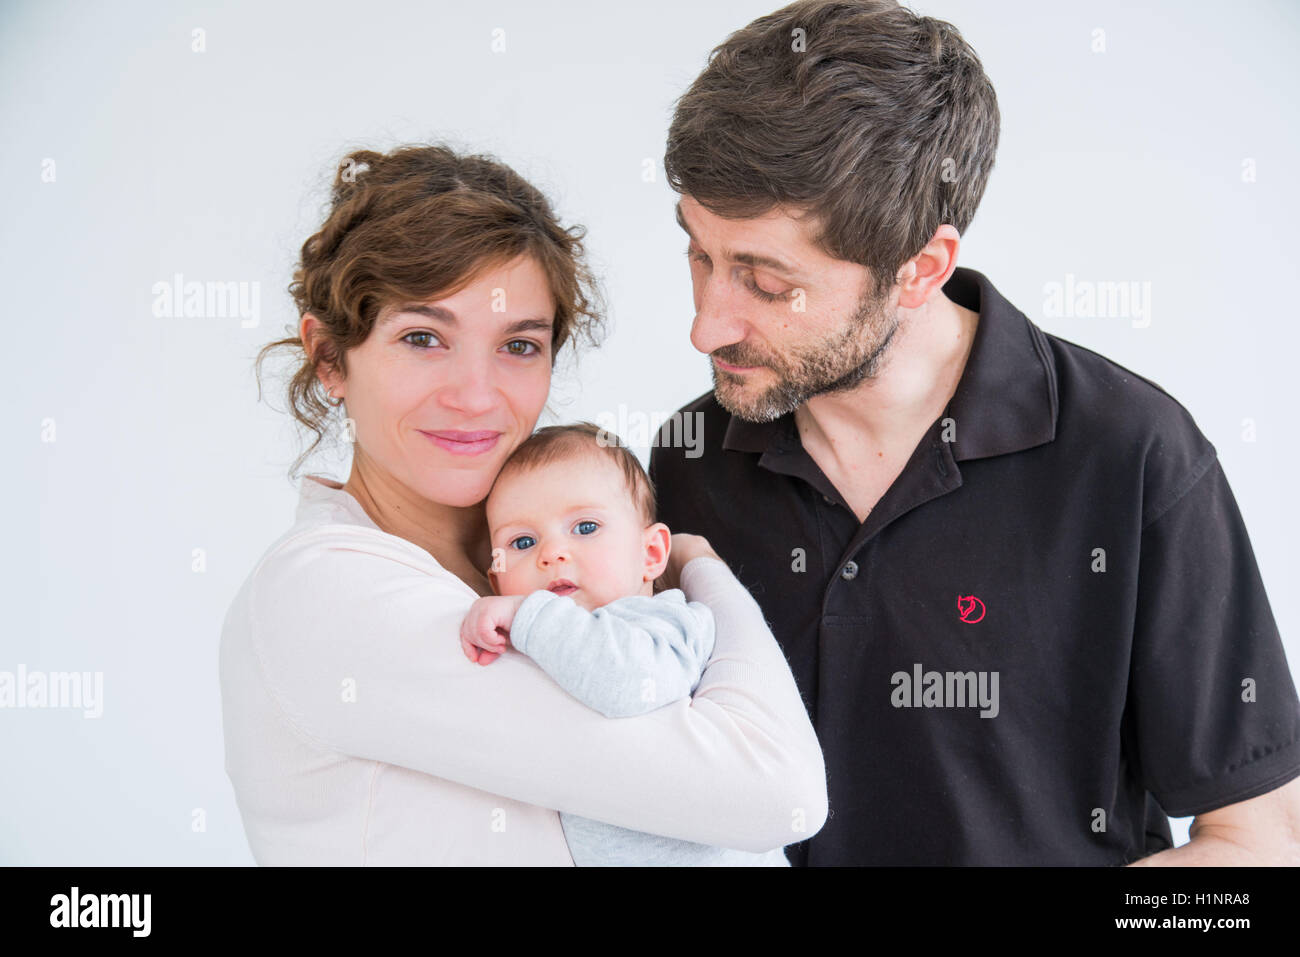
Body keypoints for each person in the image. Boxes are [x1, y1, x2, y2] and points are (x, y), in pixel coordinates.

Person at [649, 0, 1300, 865]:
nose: (706, 325)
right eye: (699, 254)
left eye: (766, 283)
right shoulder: (687, 459)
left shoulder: (1134, 454)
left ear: (921, 269)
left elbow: (1255, 845)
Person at [219, 144, 828, 865]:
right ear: (329, 358)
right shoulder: (326, 592)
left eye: (519, 344)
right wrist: (702, 570)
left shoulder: (543, 569)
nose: (476, 395)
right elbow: (778, 791)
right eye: (423, 338)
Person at [460, 422, 791, 865]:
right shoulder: (544, 642)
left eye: (585, 527)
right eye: (523, 541)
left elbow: (627, 683)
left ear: (651, 554)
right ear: (497, 579)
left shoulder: (662, 622)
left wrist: (527, 615)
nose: (552, 552)